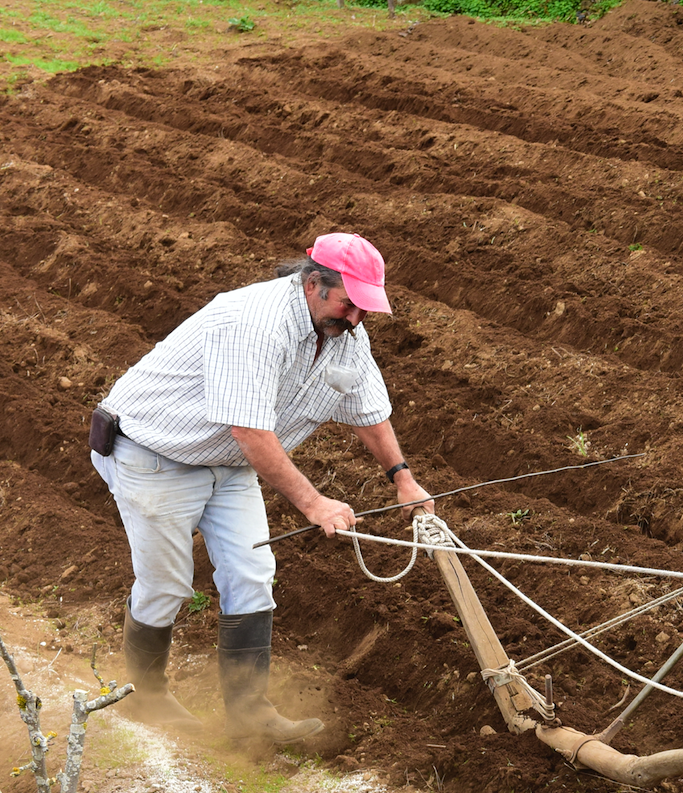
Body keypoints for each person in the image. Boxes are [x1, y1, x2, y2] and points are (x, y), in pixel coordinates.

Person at [89, 233, 432, 743]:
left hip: (226, 464)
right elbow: (249, 430)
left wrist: (402, 479)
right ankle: (146, 698)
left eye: (364, 309)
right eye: (349, 305)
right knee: (167, 583)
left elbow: (368, 409)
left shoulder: (343, 334)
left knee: (252, 575)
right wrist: (314, 503)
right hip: (155, 454)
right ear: (313, 283)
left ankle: (251, 715)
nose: (356, 320)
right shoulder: (251, 322)